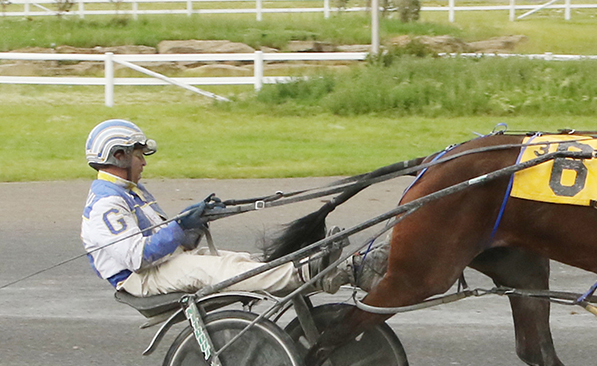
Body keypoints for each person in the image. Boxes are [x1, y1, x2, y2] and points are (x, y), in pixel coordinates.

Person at [80, 119, 384, 297]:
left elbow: (173, 244)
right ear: (119, 156)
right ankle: (307, 273)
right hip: (139, 279)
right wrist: (180, 226)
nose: (144, 162)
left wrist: (194, 223)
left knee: (241, 261)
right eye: (138, 155)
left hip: (158, 266)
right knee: (223, 270)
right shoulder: (108, 203)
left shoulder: (129, 191)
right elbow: (138, 257)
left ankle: (331, 273)